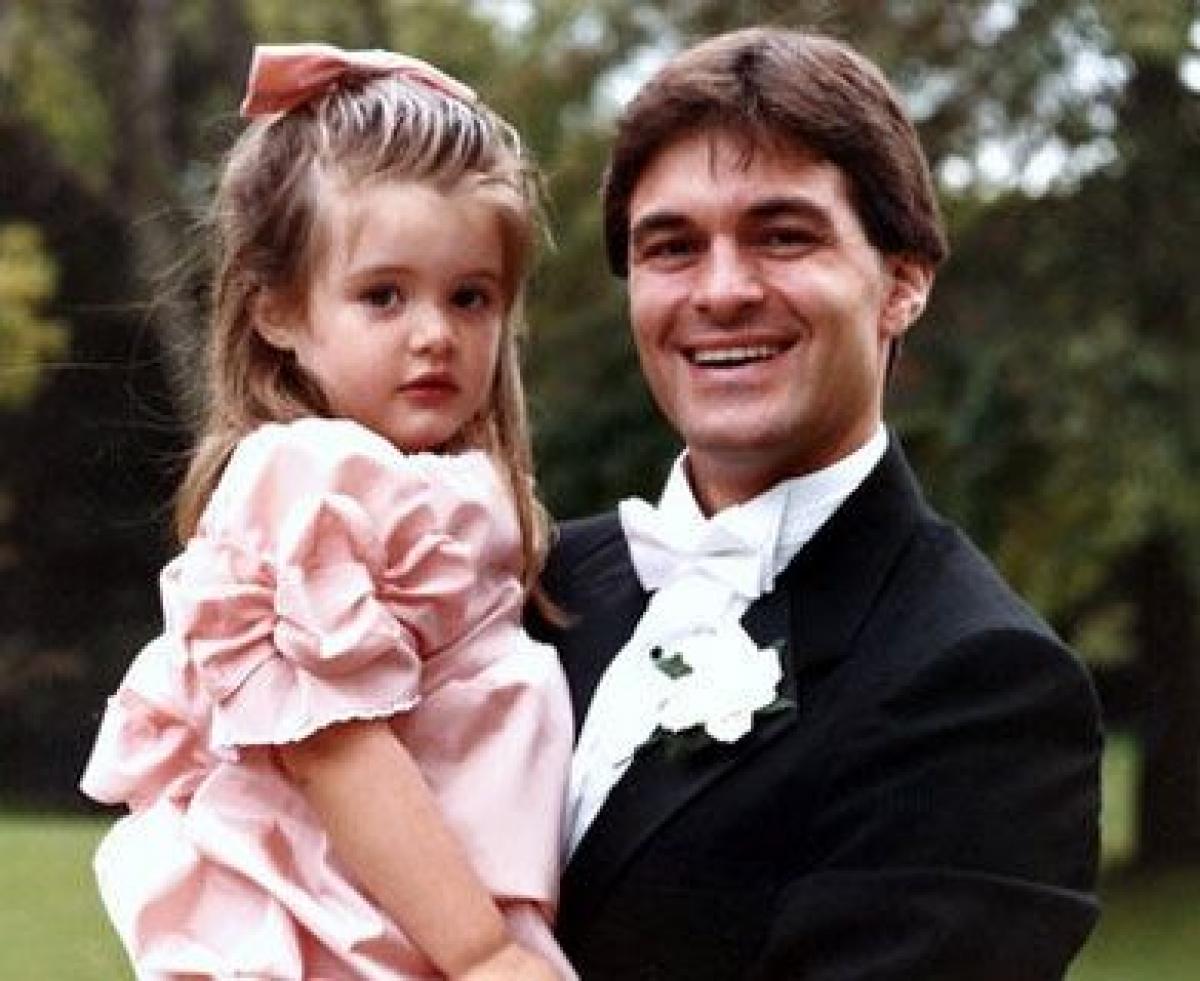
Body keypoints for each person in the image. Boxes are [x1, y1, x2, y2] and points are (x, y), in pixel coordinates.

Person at [529, 26, 1102, 980]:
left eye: (783, 235)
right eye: (672, 247)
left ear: (902, 282)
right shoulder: (527, 583)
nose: (721, 291)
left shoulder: (983, 687)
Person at [79, 43, 575, 980]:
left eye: (470, 297)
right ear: (278, 312)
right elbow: (334, 746)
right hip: (344, 927)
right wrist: (481, 952)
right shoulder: (308, 478)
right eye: (383, 295)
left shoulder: (455, 488)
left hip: (422, 920)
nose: (435, 333)